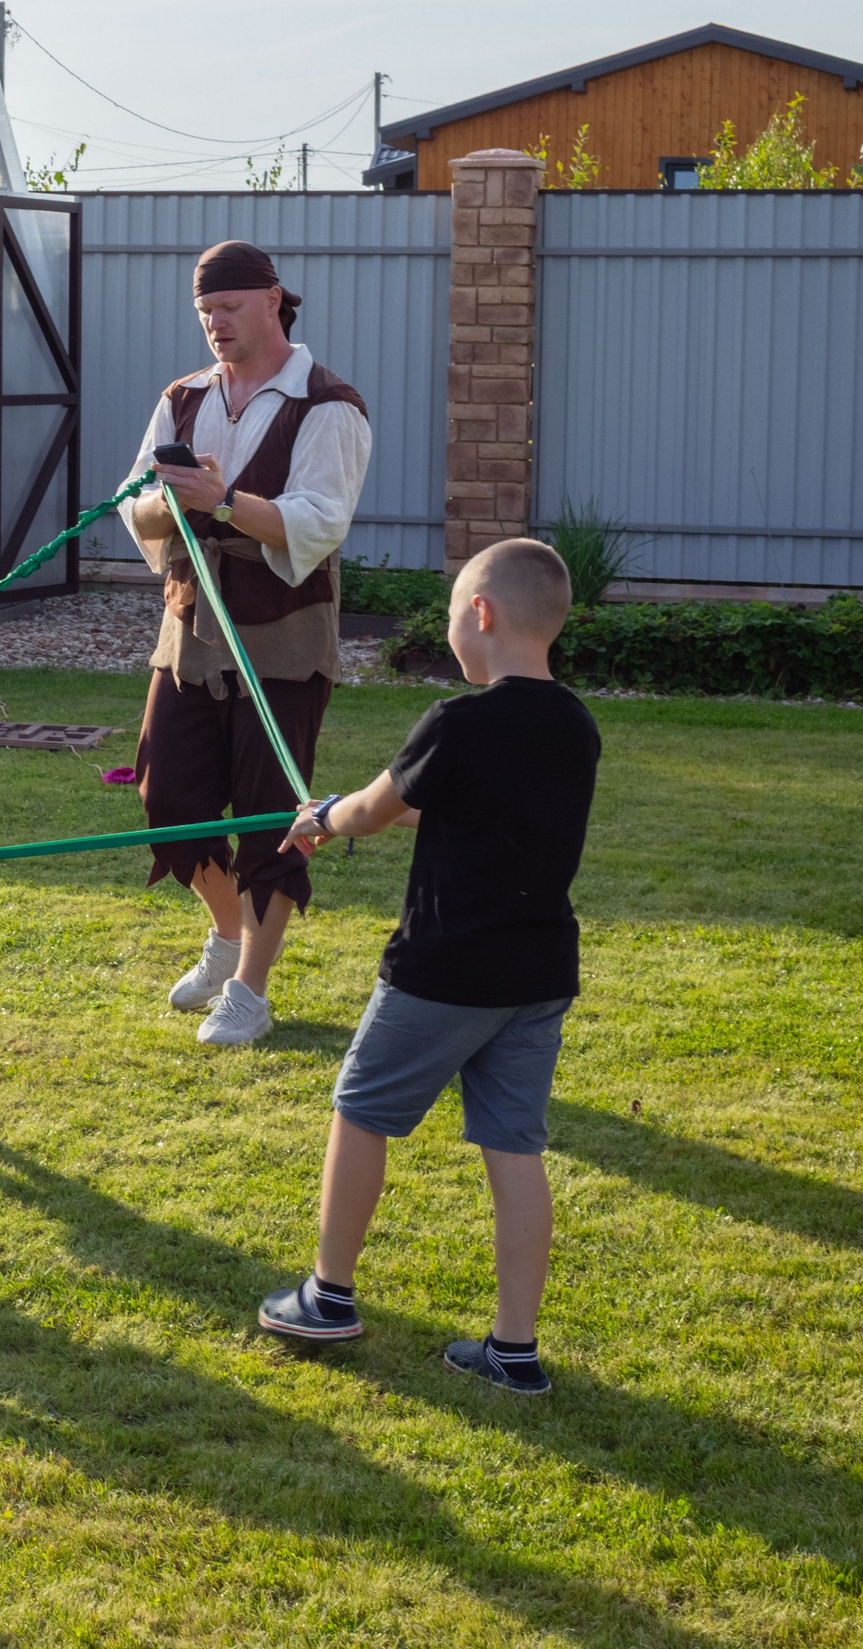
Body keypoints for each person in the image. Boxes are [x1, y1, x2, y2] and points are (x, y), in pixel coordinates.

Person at [257, 539, 600, 1395]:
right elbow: (470, 812)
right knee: (514, 1146)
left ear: (479, 615)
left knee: (360, 1108)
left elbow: (377, 808)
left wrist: (326, 818)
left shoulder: (458, 721)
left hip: (444, 970)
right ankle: (513, 1352)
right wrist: (349, 815)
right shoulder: (575, 725)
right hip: (538, 972)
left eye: (453, 613)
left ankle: (328, 1296)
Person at [121, 239, 374, 1047]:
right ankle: (226, 933)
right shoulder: (184, 397)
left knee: (272, 816)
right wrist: (170, 501)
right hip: (190, 627)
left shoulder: (328, 404)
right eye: (204, 314)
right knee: (170, 804)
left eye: (228, 309)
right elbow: (135, 507)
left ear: (273, 300)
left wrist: (223, 501)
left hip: (282, 634)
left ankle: (250, 991)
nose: (215, 326)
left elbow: (317, 523)